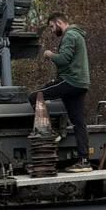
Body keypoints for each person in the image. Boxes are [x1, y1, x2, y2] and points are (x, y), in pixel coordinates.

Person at [40, 13, 94, 173]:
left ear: (59, 22)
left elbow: (63, 59)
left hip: (70, 81)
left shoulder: (70, 35)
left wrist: (49, 54)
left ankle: (50, 133)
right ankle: (84, 161)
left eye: (52, 27)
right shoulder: (78, 35)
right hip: (81, 83)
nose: (52, 30)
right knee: (78, 122)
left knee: (36, 96)